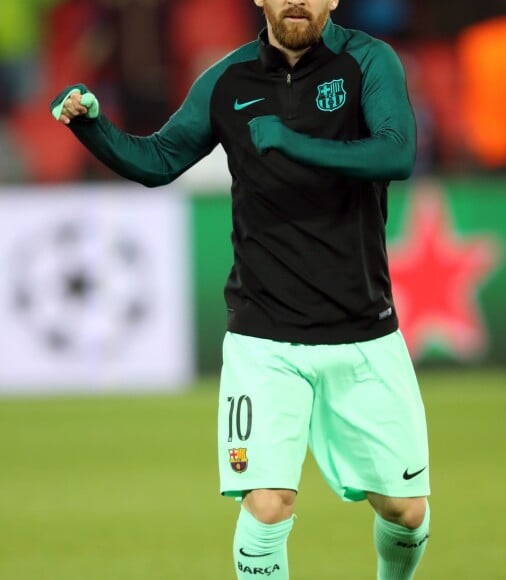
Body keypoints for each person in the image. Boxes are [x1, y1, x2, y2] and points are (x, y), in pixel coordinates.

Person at [50, 1, 431, 578]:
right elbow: (159, 159)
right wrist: (90, 126)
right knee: (267, 504)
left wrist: (290, 141)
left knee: (405, 512)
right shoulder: (228, 81)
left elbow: (397, 152)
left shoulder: (368, 61)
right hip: (263, 338)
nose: (296, 1)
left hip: (364, 331)